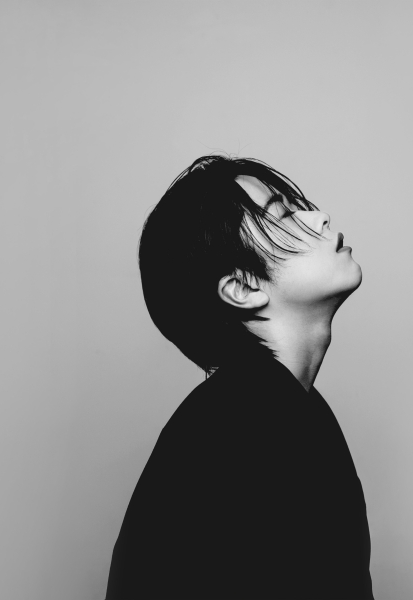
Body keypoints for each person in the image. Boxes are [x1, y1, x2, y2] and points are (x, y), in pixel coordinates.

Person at [105, 155, 374, 599]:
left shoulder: (278, 408)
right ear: (243, 288)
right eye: (283, 215)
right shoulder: (246, 423)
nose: (320, 217)